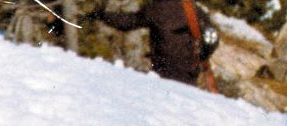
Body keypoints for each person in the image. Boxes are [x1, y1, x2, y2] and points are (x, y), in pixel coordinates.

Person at [87, 0, 218, 88]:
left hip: (163, 72)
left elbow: (127, 23)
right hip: (188, 72)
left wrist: (103, 15)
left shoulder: (156, 9)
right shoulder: (193, 9)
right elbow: (212, 37)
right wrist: (203, 56)